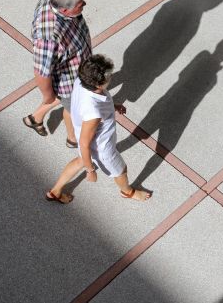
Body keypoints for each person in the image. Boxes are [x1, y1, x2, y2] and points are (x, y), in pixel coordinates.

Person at [45, 54, 152, 203]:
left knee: (80, 161)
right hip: (102, 147)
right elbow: (84, 143)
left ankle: (55, 191)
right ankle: (128, 192)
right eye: (109, 76)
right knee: (120, 170)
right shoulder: (93, 112)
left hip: (82, 130)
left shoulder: (81, 81)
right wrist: (91, 170)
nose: (111, 77)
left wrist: (112, 106)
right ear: (99, 84)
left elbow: (93, 105)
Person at [23, 0, 91, 148]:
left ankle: (34, 119)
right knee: (72, 108)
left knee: (63, 100)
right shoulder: (49, 38)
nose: (85, 4)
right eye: (80, 4)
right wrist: (48, 97)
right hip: (68, 78)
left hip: (76, 64)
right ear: (65, 10)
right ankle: (72, 139)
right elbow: (41, 71)